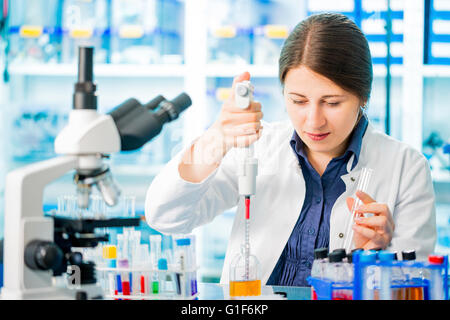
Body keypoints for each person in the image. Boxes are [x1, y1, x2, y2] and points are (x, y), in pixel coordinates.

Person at [145, 13, 436, 286]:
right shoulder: (257, 146)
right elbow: (168, 218)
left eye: (332, 102)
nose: (313, 120)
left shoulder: (406, 167)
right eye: (298, 100)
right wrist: (215, 140)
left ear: (363, 96)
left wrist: (376, 258)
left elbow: (417, 282)